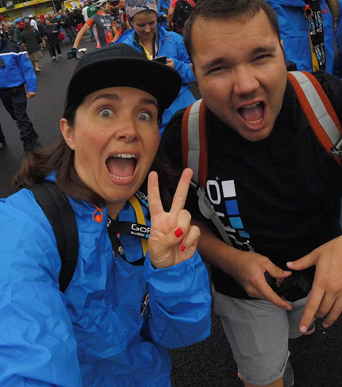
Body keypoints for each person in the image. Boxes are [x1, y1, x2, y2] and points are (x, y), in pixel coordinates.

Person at [160, 0, 342, 387]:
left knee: (305, 339)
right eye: (219, 68)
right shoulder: (184, 138)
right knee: (264, 375)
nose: (245, 85)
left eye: (261, 57)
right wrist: (231, 262)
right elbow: (183, 219)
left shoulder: (329, 102)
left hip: (325, 278)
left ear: (282, 50)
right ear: (194, 71)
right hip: (242, 290)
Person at [0, 44, 211, 385]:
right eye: (106, 111)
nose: (129, 129)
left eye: (145, 115)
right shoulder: (24, 228)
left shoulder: (151, 216)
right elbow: (23, 360)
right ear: (69, 132)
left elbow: (180, 334)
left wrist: (173, 272)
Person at [115, 0, 196, 133]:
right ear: (130, 21)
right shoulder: (124, 48)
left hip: (184, 113)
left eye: (152, 23)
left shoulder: (174, 40)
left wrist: (176, 67)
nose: (147, 29)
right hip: (149, 119)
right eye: (141, 25)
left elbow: (196, 71)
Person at [0, 29, 39, 152]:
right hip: (3, 91)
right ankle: (31, 133)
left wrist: (31, 88)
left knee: (20, 116)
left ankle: (27, 142)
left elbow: (27, 68)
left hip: (17, 89)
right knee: (16, 116)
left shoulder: (15, 48)